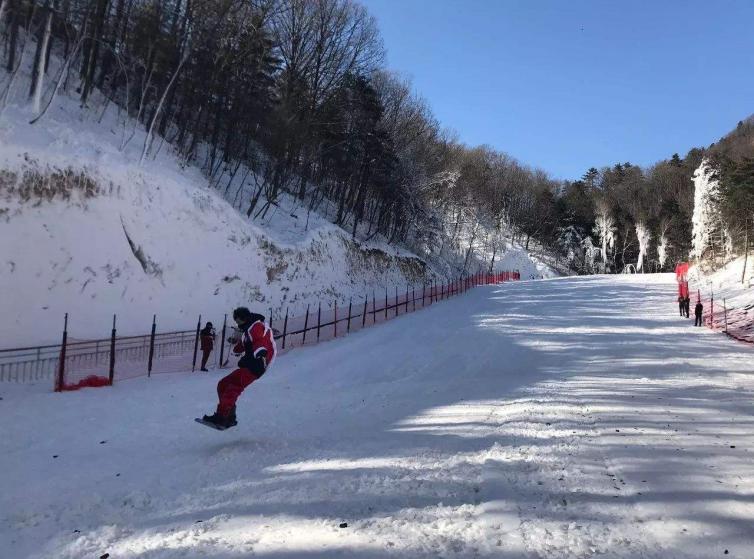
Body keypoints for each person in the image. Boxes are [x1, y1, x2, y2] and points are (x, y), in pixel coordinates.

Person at [202, 307, 277, 428]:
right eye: (236, 321)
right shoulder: (248, 329)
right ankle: (229, 416)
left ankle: (222, 417)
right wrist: (238, 348)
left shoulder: (256, 327)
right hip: (250, 364)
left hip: (257, 365)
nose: (237, 324)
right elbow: (245, 342)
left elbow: (260, 340)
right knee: (223, 384)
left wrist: (260, 351)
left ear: (245, 318)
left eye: (238, 321)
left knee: (233, 387)